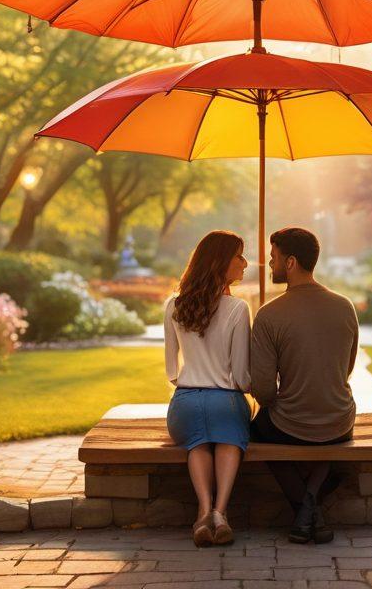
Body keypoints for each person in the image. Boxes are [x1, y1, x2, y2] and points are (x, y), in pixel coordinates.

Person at [250, 227, 359, 544]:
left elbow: (264, 392)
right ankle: (312, 508)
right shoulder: (345, 306)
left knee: (255, 433)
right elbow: (346, 369)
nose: (270, 265)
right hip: (340, 421)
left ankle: (304, 509)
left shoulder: (269, 315)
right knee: (330, 440)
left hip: (289, 424)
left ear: (291, 262)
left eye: (273, 258)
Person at [164, 230, 252, 547]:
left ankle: (202, 511)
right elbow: (242, 375)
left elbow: (172, 370)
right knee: (228, 438)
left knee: (198, 444)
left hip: (185, 402)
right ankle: (220, 512)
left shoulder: (173, 305)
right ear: (220, 261)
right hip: (226, 400)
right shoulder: (238, 309)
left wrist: (194, 383)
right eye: (239, 255)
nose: (245, 262)